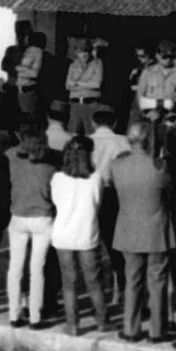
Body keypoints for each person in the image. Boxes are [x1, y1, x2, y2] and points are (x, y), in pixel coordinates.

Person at [109, 120, 173, 342]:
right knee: (157, 281)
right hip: (156, 229)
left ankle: (130, 328)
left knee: (132, 280)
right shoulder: (160, 166)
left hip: (129, 228)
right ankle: (157, 330)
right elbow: (169, 192)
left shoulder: (117, 165)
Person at [51, 135, 108, 336]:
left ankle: (73, 324)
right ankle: (102, 320)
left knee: (69, 283)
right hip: (86, 234)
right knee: (94, 281)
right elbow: (97, 204)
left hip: (62, 235)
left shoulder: (57, 178)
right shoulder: (96, 178)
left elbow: (56, 203)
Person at [5, 124, 56, 329]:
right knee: (37, 269)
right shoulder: (51, 162)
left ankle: (14, 314)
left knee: (15, 267)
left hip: (18, 215)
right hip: (42, 217)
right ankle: (35, 316)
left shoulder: (10, 157)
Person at [65, 39, 105, 135]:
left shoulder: (97, 63)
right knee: (72, 134)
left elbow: (96, 84)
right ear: (76, 53)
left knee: (91, 135)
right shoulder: (73, 65)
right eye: (80, 52)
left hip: (90, 104)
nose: (83, 55)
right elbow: (68, 85)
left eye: (85, 51)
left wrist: (77, 83)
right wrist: (87, 84)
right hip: (75, 104)